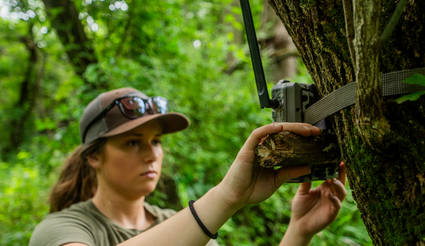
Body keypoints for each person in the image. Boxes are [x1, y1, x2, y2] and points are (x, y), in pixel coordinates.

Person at [29, 87, 347, 246]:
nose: (151, 153)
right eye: (131, 142)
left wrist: (297, 232)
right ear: (94, 157)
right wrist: (225, 197)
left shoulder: (176, 223)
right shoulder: (61, 230)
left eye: (155, 141)